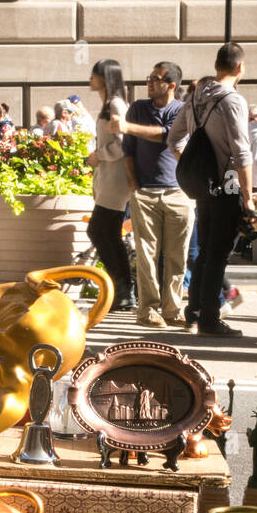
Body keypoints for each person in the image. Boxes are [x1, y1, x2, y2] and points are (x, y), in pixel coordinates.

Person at [169, 43, 254, 337]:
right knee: (217, 254)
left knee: (205, 251)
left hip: (203, 186)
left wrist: (193, 165)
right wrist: (249, 197)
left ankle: (193, 314)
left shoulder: (194, 97)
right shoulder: (233, 100)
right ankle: (209, 319)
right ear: (240, 67)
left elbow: (173, 140)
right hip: (227, 183)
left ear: (217, 65)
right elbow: (242, 154)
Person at [119, 62, 191, 328]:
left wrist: (127, 127)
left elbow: (168, 135)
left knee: (177, 255)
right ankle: (147, 310)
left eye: (156, 79)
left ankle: (173, 309)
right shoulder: (138, 108)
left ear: (171, 85)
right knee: (147, 255)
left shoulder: (182, 111)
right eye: (149, 78)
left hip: (178, 192)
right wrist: (133, 185)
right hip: (145, 192)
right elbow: (128, 151)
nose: (149, 82)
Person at [86, 59, 133, 311]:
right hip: (108, 180)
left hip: (115, 181)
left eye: (95, 74)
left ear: (104, 77)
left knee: (98, 231)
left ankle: (123, 287)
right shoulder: (109, 103)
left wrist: (98, 155)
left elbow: (123, 142)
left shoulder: (115, 104)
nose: (90, 78)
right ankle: (123, 290)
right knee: (107, 234)